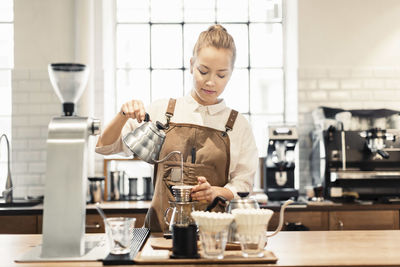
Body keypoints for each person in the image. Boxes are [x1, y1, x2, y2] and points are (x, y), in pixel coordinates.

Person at [96, 24, 258, 232]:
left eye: (221, 75)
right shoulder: (162, 111)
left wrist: (216, 191)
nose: (210, 82)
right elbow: (104, 147)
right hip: (159, 235)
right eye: (203, 71)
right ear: (191, 65)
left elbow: (243, 186)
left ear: (231, 74)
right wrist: (122, 115)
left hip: (214, 238)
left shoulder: (239, 125)